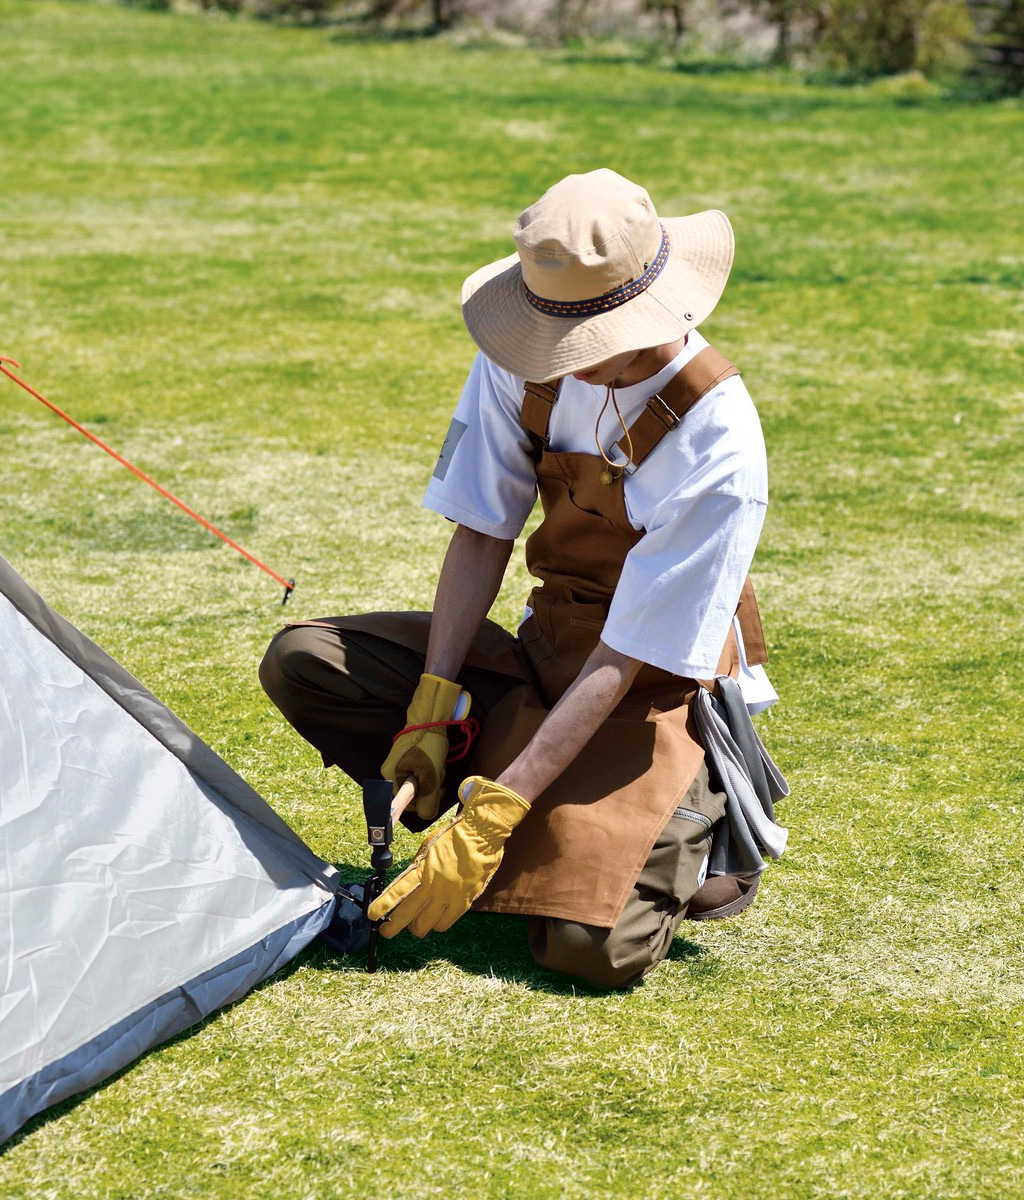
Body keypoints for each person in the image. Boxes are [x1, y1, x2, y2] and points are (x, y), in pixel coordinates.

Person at [260, 168, 778, 990]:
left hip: (649, 694)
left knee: (588, 952)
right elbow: (481, 530)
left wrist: (496, 814)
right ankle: (491, 797)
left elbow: (629, 654)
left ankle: (702, 836)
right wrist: (431, 704)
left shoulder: (720, 441)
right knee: (306, 661)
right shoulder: (524, 356)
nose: (565, 364)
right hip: (544, 662)